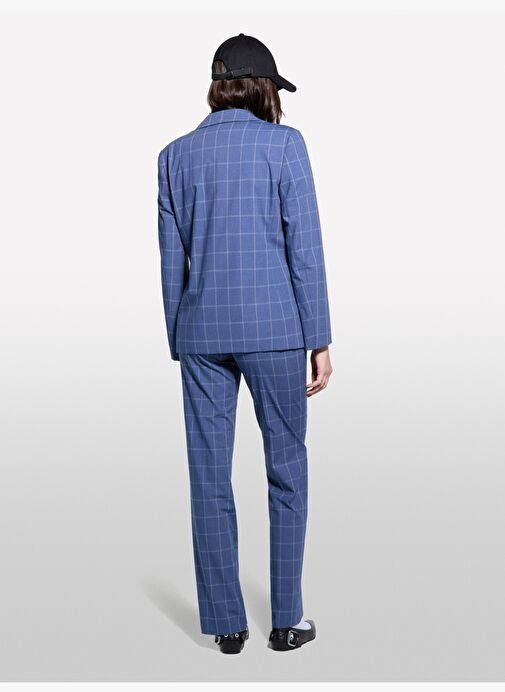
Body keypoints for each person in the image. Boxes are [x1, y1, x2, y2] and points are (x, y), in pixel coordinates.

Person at [157, 32, 333, 654]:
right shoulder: (285, 146)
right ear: (263, 89)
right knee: (287, 470)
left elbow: (170, 261)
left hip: (201, 334)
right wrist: (319, 337)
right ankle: (286, 621)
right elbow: (304, 248)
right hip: (276, 331)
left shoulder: (174, 157)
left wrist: (180, 337)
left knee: (208, 478)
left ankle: (227, 625)